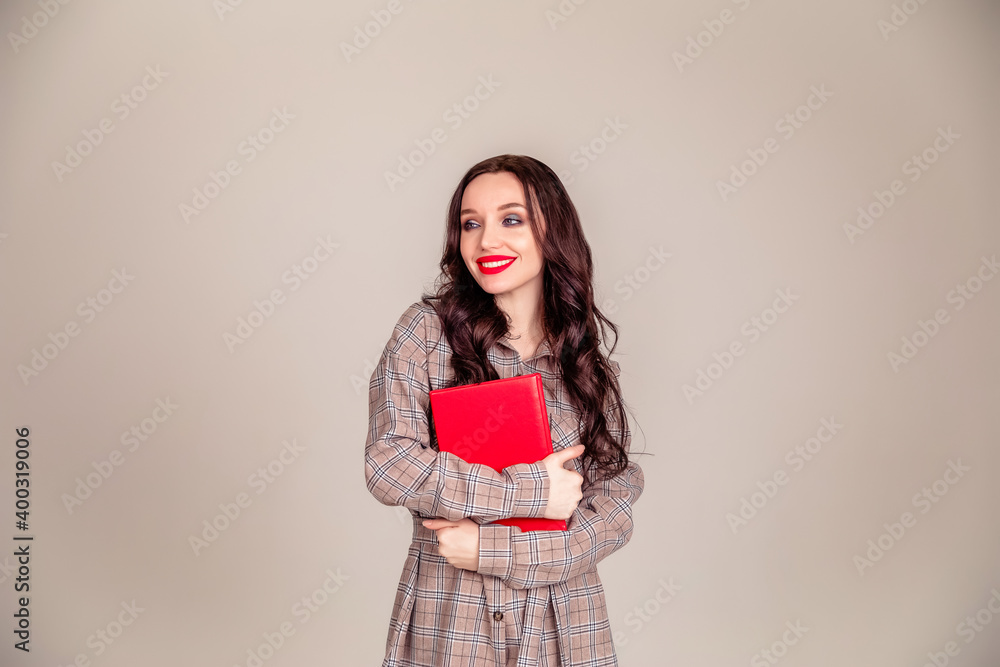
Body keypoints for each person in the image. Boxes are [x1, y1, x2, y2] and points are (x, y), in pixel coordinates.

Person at [364, 154, 646, 667]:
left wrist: (492, 550)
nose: (486, 241)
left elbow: (612, 509)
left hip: (566, 627)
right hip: (454, 620)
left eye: (511, 219)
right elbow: (389, 464)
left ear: (552, 230)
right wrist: (531, 491)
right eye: (470, 224)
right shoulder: (425, 332)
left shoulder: (582, 359)